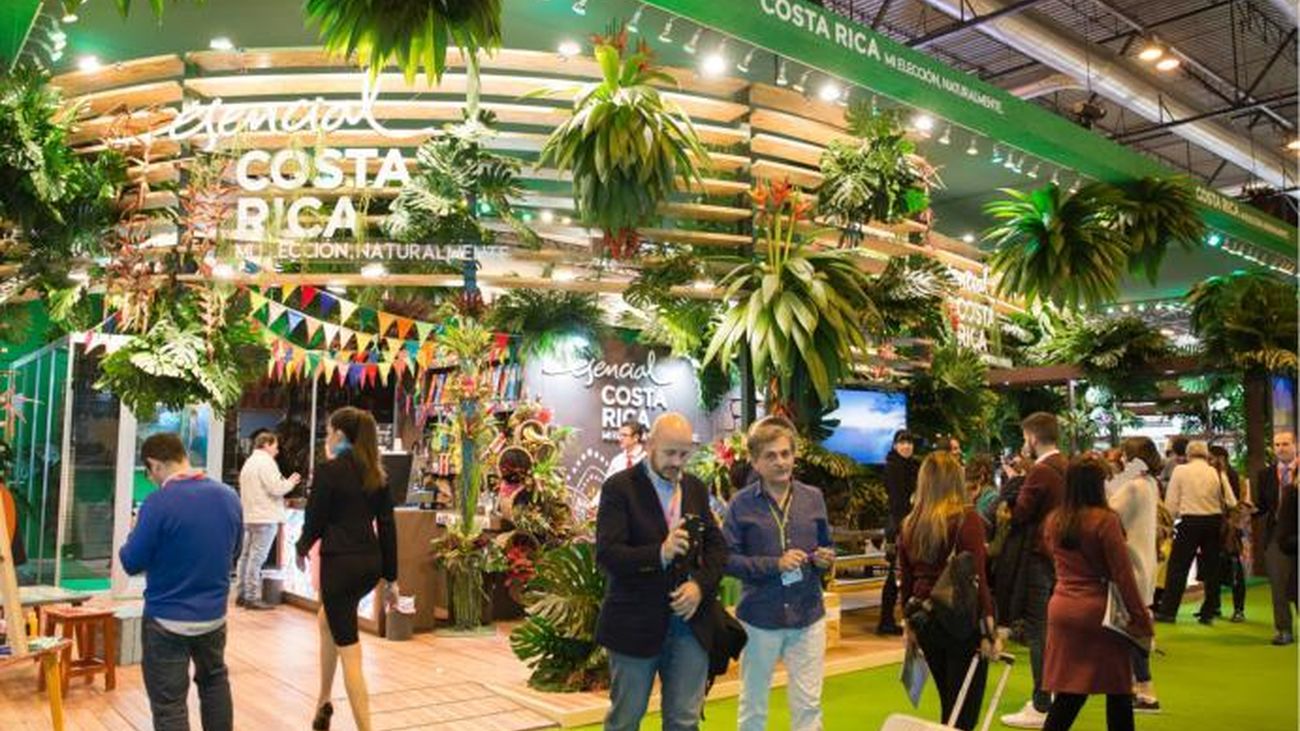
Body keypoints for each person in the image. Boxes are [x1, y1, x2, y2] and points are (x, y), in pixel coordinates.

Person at [595, 412, 727, 731]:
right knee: (626, 719)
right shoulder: (619, 488)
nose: (677, 462)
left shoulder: (694, 488)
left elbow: (717, 548)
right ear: (650, 444)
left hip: (689, 625)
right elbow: (607, 555)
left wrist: (699, 586)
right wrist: (660, 553)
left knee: (684, 720)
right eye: (670, 453)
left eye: (684, 454)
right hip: (634, 624)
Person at [119, 433, 242, 731]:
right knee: (214, 684)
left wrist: (134, 531)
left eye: (149, 473)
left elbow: (131, 561)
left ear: (155, 465)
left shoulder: (157, 503)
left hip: (166, 619)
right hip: (213, 616)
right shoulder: (228, 496)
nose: (151, 480)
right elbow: (235, 552)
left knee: (170, 705)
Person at [723, 416, 835, 731]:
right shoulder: (740, 505)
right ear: (755, 462)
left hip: (808, 615)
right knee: (753, 707)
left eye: (786, 453)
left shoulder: (813, 497)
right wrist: (775, 565)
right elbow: (727, 560)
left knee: (808, 706)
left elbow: (826, 544)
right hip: (759, 618)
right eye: (770, 456)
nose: (781, 461)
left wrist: (826, 558)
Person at [296, 408, 399, 731]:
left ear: (339, 435)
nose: (326, 438)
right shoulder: (376, 474)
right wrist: (391, 578)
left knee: (350, 653)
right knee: (326, 619)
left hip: (339, 566)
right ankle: (323, 701)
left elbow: (315, 520)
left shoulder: (329, 471)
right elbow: (388, 527)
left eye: (328, 432)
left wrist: (301, 548)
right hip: (369, 565)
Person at [1042, 456, 1154, 731]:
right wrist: (1141, 618)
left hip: (1062, 608)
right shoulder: (1106, 521)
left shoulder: (1054, 521)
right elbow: (1123, 575)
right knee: (1118, 691)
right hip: (1099, 613)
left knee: (1070, 692)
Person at [900, 452, 999, 731]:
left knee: (949, 703)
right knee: (963, 711)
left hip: (924, 618)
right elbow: (978, 578)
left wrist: (907, 623)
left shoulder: (910, 523)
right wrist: (989, 629)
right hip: (960, 620)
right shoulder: (967, 520)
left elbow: (906, 579)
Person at [1002, 412, 1067, 730]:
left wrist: (1014, 485)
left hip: (1039, 557)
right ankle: (1050, 698)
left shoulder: (1041, 471)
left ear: (1032, 437)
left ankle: (1042, 703)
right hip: (1061, 557)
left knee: (1038, 631)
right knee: (1050, 631)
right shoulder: (1066, 465)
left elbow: (1020, 513)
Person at [1105, 437, 1162, 713]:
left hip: (1131, 564)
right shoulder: (1150, 483)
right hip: (1145, 563)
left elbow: (1107, 513)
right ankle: (1134, 687)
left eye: (1125, 456)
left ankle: (1146, 689)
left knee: (1130, 630)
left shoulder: (1133, 487)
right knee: (1133, 627)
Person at [1155, 441, 1236, 625]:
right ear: (1206, 454)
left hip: (1190, 522)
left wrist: (1168, 524)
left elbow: (1171, 502)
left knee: (1178, 568)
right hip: (1214, 522)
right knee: (1212, 569)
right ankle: (1210, 611)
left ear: (1188, 454)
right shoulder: (1215, 472)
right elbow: (1231, 501)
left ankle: (1168, 611)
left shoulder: (1181, 471)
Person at [236, 431, 301, 610]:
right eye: (275, 446)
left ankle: (242, 593)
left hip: (250, 515)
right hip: (265, 516)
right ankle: (251, 597)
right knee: (257, 558)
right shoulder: (266, 462)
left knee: (246, 556)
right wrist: (291, 482)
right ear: (266, 444)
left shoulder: (249, 462)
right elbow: (276, 488)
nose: (277, 451)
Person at [1255, 430, 1298, 645]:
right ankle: (1284, 630)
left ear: (1296, 445)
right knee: (1278, 585)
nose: (1281, 448)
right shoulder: (1265, 475)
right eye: (1277, 444)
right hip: (1277, 535)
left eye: (1286, 444)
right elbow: (1262, 506)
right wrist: (1248, 511)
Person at [879, 429, 920, 636]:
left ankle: (901, 618)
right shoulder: (893, 467)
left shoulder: (914, 466)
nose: (906, 446)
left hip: (910, 524)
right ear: (895, 445)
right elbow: (897, 502)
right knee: (894, 574)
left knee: (905, 574)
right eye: (902, 442)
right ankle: (886, 620)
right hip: (898, 526)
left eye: (909, 442)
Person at [1208, 444, 1247, 623]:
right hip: (1217, 527)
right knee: (1214, 567)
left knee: (1234, 568)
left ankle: (1238, 608)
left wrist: (1234, 524)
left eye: (1211, 458)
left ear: (1221, 459)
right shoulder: (1213, 475)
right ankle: (1215, 606)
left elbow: (1235, 503)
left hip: (1230, 529)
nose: (1208, 462)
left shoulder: (1231, 476)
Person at [967, 454, 999, 531]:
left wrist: (970, 503)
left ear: (981, 478)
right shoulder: (993, 496)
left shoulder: (991, 498)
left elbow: (977, 527)